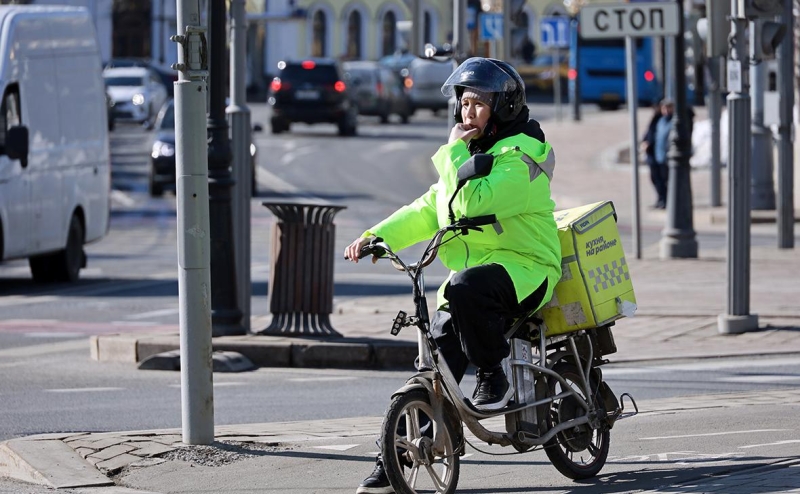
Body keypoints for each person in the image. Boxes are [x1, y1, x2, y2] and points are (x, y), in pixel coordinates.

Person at [344, 57, 562, 494]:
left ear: (502, 106)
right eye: (463, 103)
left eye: (479, 103)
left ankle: (492, 374)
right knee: (436, 362)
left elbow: (471, 204)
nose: (468, 113)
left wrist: (452, 151)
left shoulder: (523, 156)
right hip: (477, 284)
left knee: (464, 287)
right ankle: (396, 457)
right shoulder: (473, 156)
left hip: (526, 269)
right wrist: (376, 235)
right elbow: (431, 208)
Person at [640, 98, 674, 209]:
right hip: (655, 155)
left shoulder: (673, 121)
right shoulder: (659, 120)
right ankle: (661, 199)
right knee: (656, 179)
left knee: (665, 180)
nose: (666, 110)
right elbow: (650, 133)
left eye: (668, 107)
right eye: (664, 108)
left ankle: (666, 201)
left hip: (665, 157)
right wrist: (646, 142)